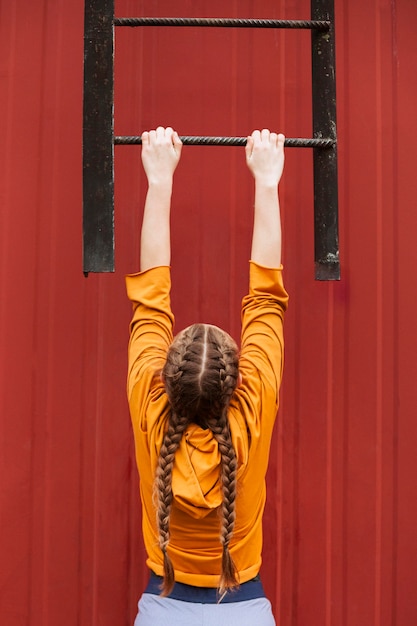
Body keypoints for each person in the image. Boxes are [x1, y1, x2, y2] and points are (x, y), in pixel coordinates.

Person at [126, 126, 289, 626]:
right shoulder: (251, 409)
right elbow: (266, 298)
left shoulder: (150, 409)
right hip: (245, 611)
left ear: (165, 378)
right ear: (236, 380)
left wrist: (159, 180)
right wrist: (267, 180)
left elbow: (150, 301)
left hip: (162, 609)